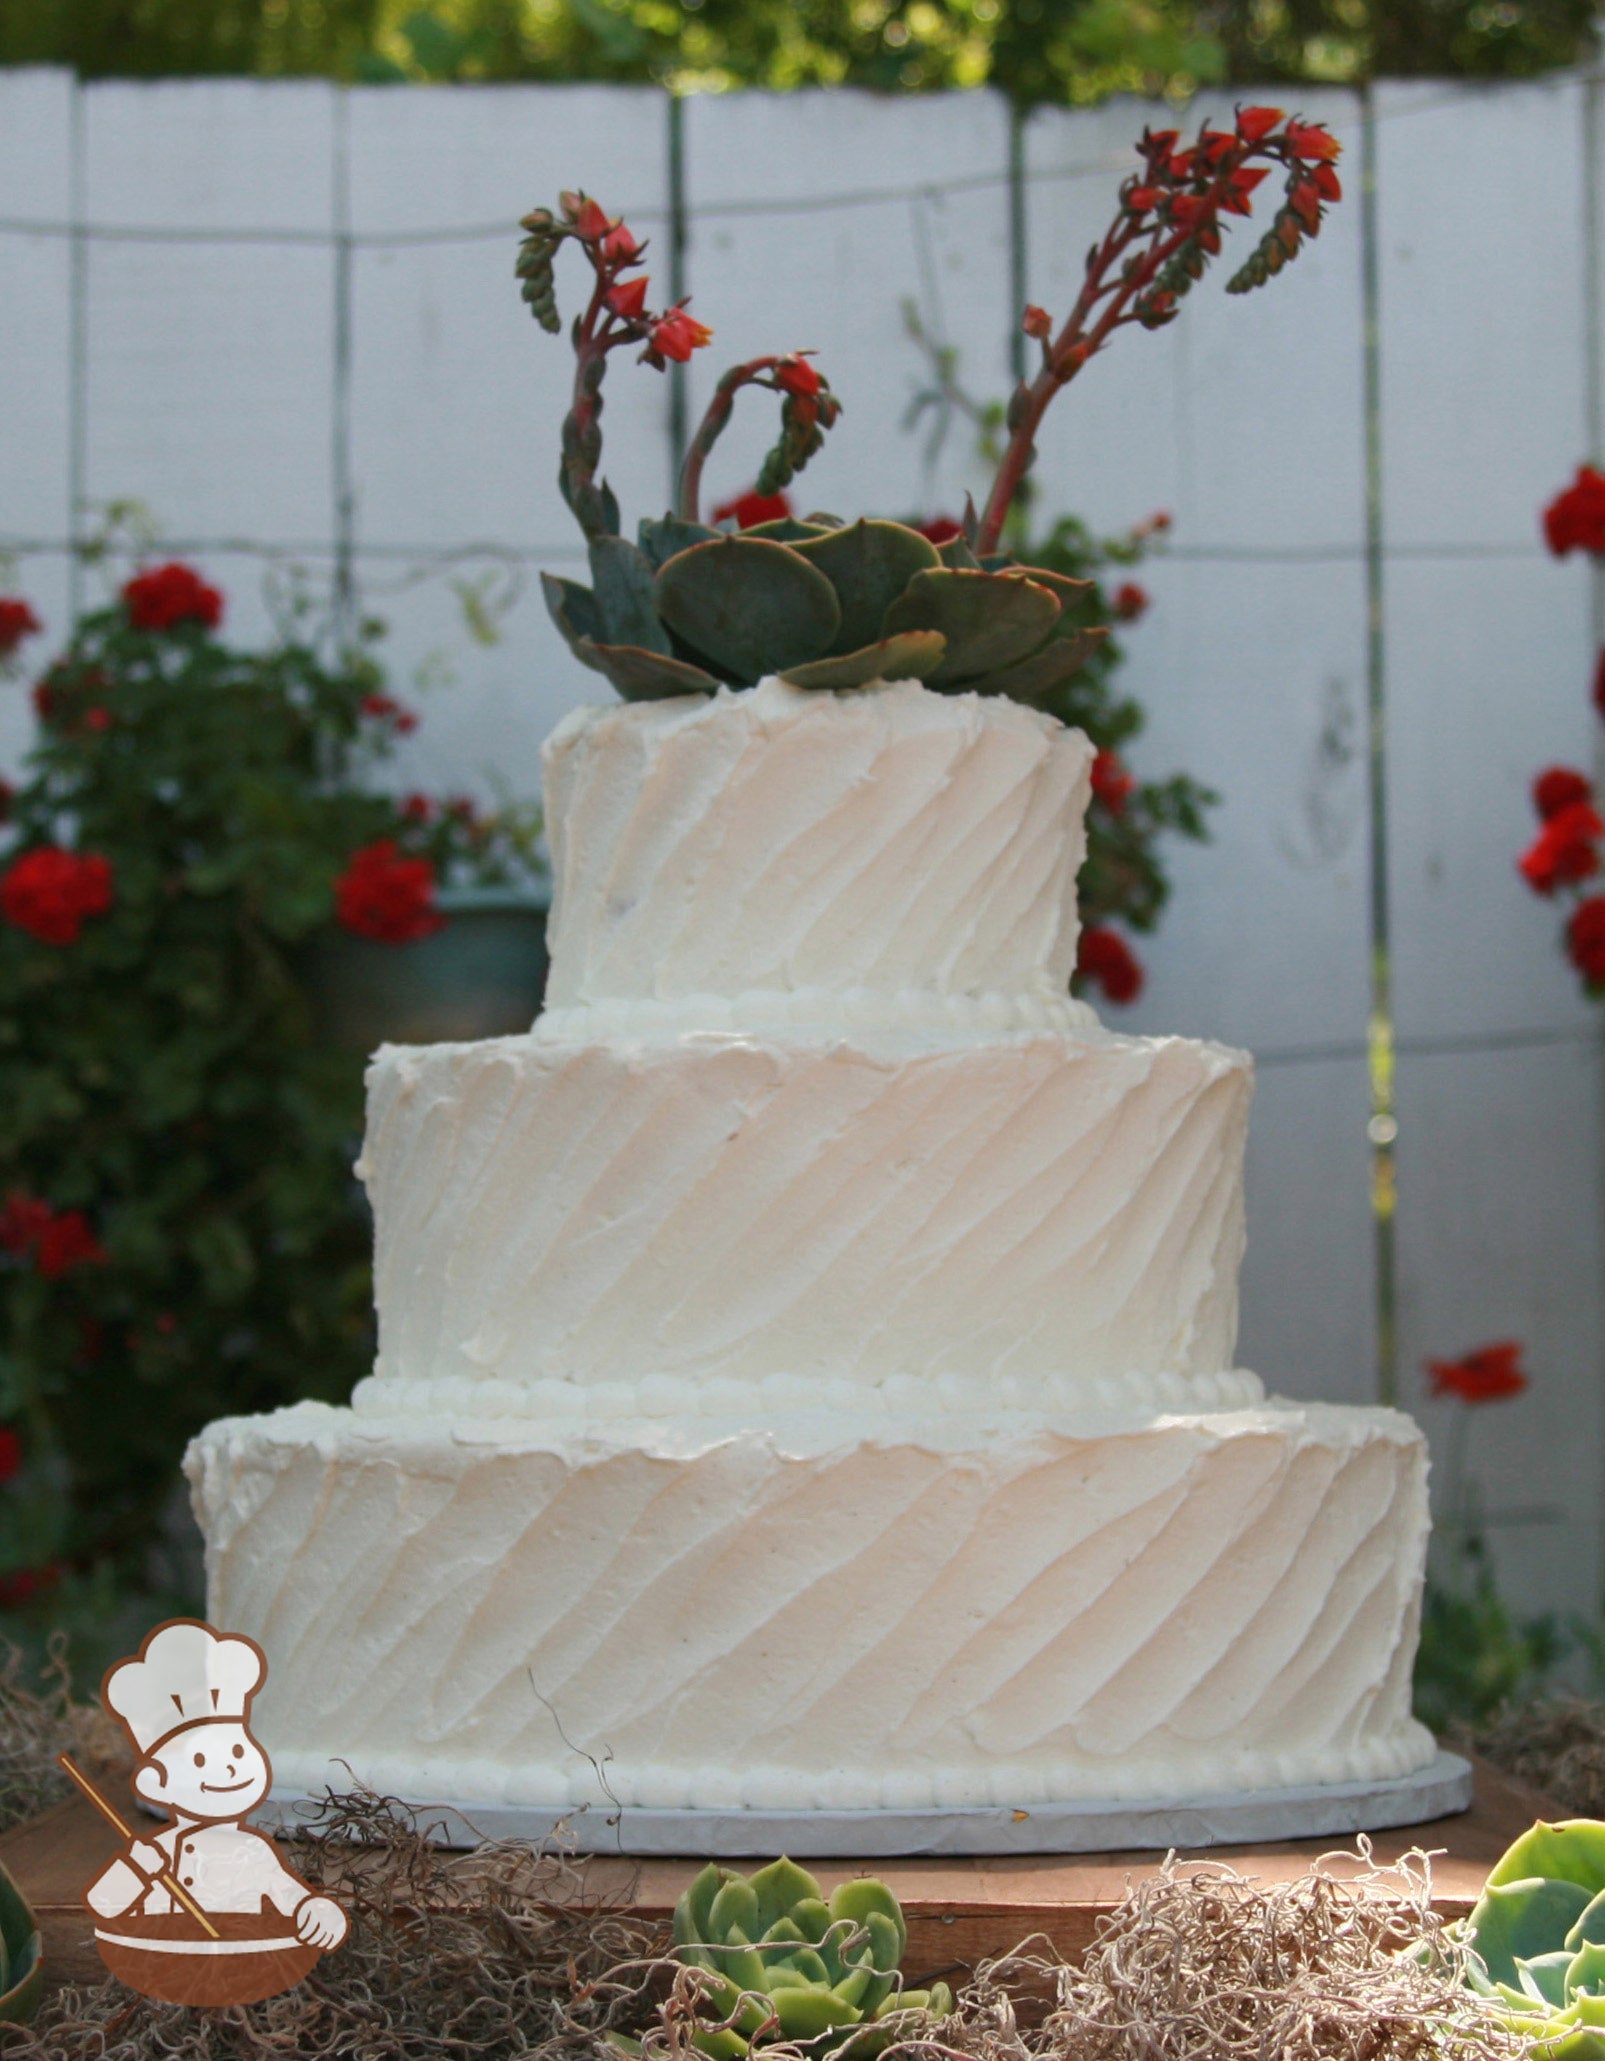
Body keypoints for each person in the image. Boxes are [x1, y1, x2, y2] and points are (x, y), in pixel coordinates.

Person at [85, 1618, 347, 1949]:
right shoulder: (161, 1852)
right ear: (157, 1783)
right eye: (199, 1760)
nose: (228, 1768)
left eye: (237, 1750)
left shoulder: (255, 1852)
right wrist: (137, 1869)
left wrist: (320, 1912)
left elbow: (296, 1901)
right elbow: (103, 1903)